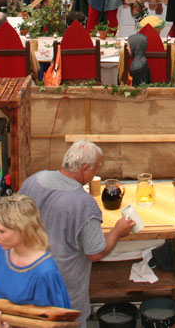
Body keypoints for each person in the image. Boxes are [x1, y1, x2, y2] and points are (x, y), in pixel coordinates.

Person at [18, 140, 134, 328]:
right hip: (63, 295)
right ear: (86, 168)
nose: (97, 172)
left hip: (26, 284)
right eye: (96, 167)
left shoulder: (34, 180)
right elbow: (95, 252)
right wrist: (117, 231)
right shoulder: (84, 203)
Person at [0, 195, 71, 328]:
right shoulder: (3, 249)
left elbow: (53, 323)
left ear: (22, 230)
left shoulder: (45, 273)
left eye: (1, 231)